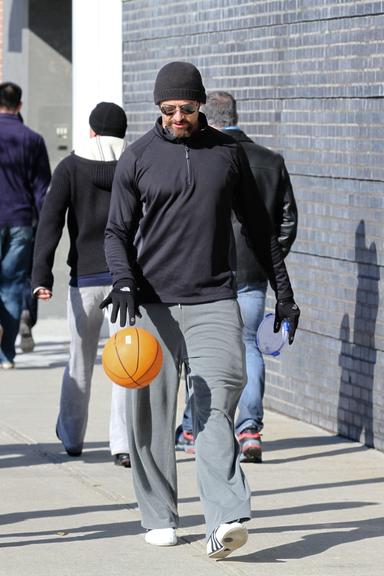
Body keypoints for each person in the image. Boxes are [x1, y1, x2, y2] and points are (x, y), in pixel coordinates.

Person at [101, 62, 300, 558]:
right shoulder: (139, 157)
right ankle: (159, 515)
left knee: (216, 408)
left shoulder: (228, 156)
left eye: (185, 109)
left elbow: (260, 229)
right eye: (166, 110)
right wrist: (124, 281)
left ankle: (226, 517)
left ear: (201, 104)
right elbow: (116, 232)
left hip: (214, 300)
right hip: (151, 306)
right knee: (148, 415)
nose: (175, 118)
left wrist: (286, 295)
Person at [177, 91, 298, 462]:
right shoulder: (270, 160)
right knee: (249, 347)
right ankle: (249, 430)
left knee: (200, 351)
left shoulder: (207, 158)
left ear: (208, 119)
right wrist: (268, 260)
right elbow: (288, 221)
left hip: (211, 273)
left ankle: (194, 428)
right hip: (253, 275)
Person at [32, 102, 131, 467]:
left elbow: (50, 222)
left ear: (91, 131)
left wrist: (41, 275)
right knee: (127, 364)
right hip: (126, 283)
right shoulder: (135, 163)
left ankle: (72, 438)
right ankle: (122, 444)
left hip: (84, 281)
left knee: (79, 362)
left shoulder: (71, 166)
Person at [0, 82, 51, 369]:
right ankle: (6, 355)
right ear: (20, 105)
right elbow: (41, 189)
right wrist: (45, 226)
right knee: (10, 288)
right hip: (21, 221)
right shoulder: (32, 139)